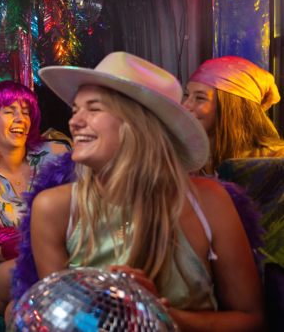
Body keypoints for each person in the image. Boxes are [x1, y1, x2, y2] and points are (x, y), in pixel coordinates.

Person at [26, 52, 265, 331]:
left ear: (138, 125)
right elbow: (56, 324)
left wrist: (155, 313)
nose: (74, 122)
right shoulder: (53, 208)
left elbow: (253, 321)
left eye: (93, 109)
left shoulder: (209, 201)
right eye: (76, 109)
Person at [0, 80, 70, 321]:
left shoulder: (56, 152)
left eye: (26, 112)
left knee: (16, 312)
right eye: (10, 112)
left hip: (69, 255)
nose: (21, 118)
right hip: (15, 270)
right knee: (12, 271)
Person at [183, 56, 284, 174]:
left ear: (241, 108)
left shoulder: (276, 159)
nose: (184, 105)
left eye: (200, 98)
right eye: (186, 94)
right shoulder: (182, 155)